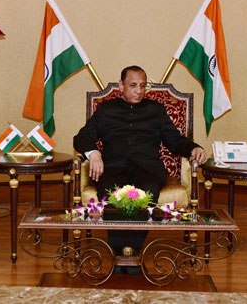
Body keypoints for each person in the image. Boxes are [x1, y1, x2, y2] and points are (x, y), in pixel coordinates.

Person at [73, 65, 207, 270]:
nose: (138, 90)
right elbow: (82, 138)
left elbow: (174, 140)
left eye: (142, 86)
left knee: (145, 195)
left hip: (148, 170)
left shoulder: (156, 110)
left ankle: (132, 253)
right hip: (113, 169)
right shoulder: (106, 110)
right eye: (133, 85)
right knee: (111, 195)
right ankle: (119, 254)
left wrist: (194, 148)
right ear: (121, 85)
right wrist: (94, 153)